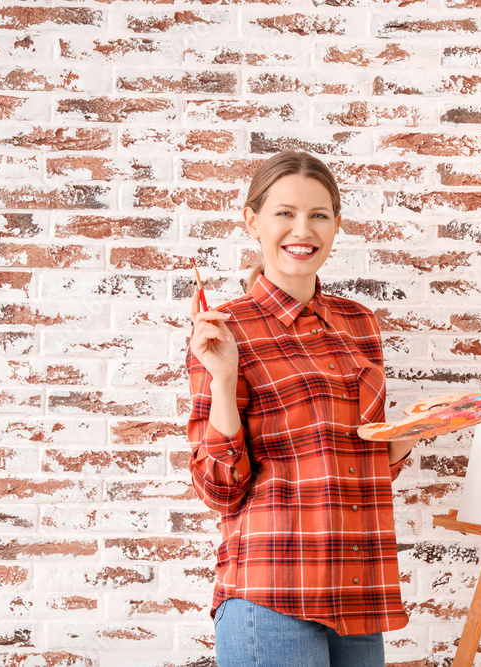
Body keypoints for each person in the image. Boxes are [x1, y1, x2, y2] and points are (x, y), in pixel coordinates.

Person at [186, 151, 418, 666]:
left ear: (336, 224)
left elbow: (362, 459)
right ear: (252, 220)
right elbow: (220, 490)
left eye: (318, 215)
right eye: (284, 213)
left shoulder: (360, 323)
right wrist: (223, 380)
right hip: (271, 585)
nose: (302, 229)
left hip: (357, 584)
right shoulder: (227, 330)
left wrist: (421, 428)